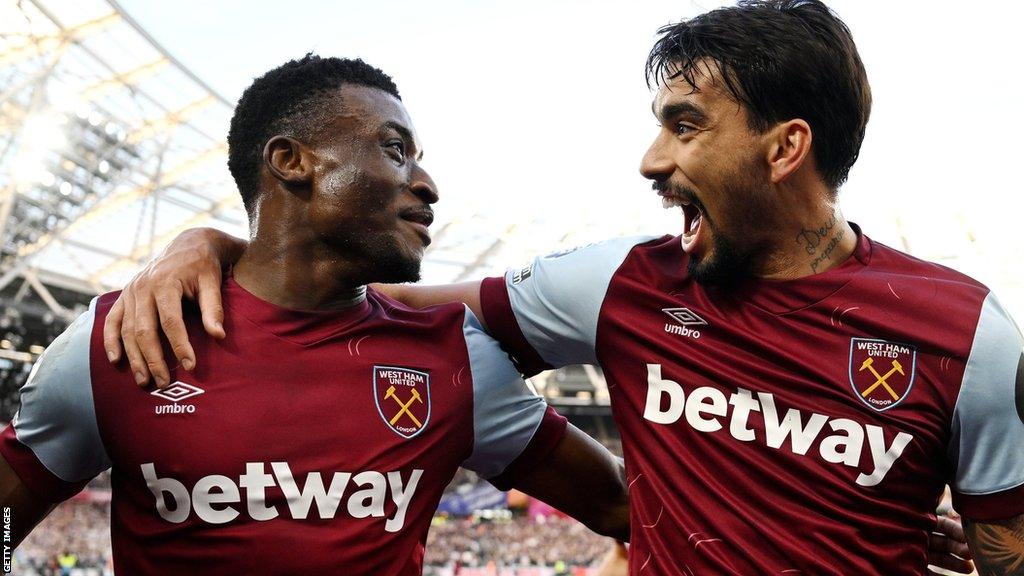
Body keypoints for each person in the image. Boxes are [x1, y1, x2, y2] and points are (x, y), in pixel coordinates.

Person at [102, 1, 1014, 574]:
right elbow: (351, 304)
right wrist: (217, 242)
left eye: (685, 128)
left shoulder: (968, 333)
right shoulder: (621, 284)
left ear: (785, 149)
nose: (652, 159)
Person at [0, 55, 629, 575]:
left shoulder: (454, 358)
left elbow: (626, 509)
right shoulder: (126, 337)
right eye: (394, 149)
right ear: (290, 161)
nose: (429, 183)